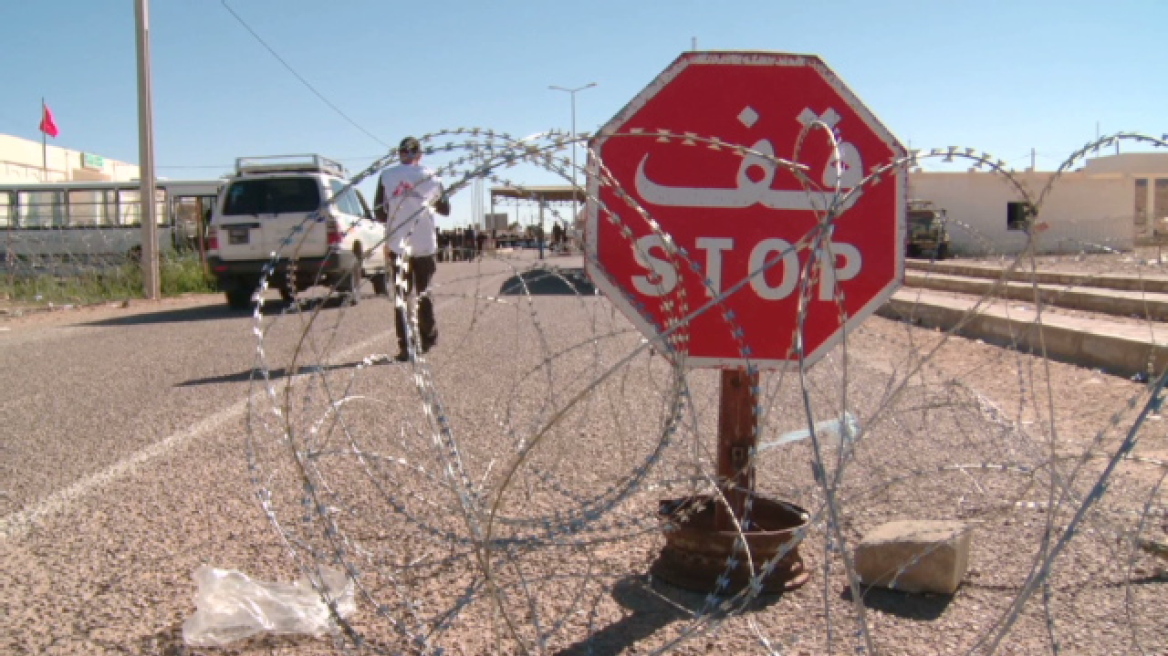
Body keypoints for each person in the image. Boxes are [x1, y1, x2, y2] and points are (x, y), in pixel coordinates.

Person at [375, 136, 450, 361]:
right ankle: (427, 337)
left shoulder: (387, 176)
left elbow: (379, 212)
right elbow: (445, 209)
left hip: (399, 244)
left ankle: (405, 345)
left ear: (399, 153)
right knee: (423, 292)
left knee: (402, 296)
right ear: (420, 155)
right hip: (424, 242)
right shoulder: (431, 176)